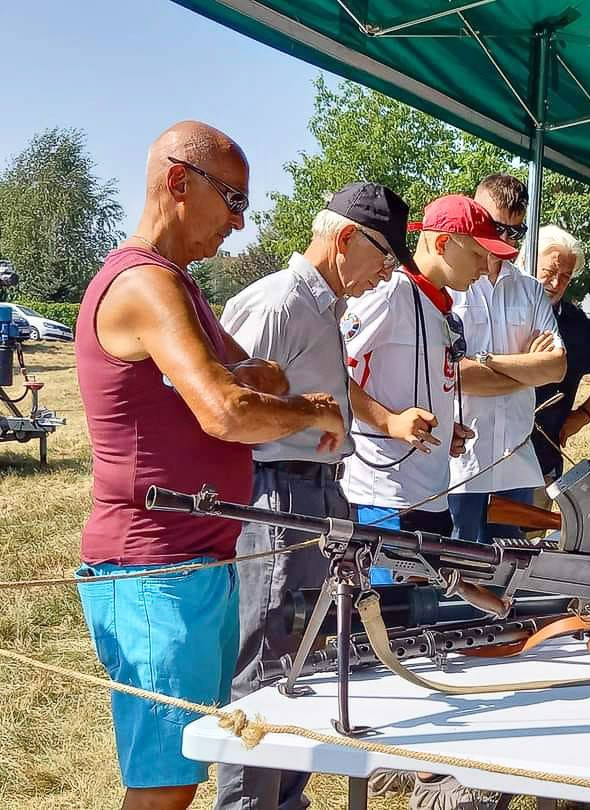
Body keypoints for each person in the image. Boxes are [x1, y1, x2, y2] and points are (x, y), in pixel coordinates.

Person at [73, 121, 345, 810]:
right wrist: (312, 408)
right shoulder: (145, 285)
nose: (239, 222)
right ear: (176, 182)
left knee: (185, 769)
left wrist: (252, 379)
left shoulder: (179, 287)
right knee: (165, 786)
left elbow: (253, 374)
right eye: (231, 199)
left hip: (191, 564)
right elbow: (227, 409)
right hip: (153, 569)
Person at [214, 183, 413, 810]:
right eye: (383, 256)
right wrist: (308, 420)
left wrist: (335, 422)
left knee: (308, 653)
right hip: (274, 494)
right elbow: (228, 411)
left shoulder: (323, 306)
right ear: (345, 237)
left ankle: (286, 797)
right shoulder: (277, 302)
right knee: (266, 652)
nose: (385, 274)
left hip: (319, 492)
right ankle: (249, 804)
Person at [341, 194, 519, 573]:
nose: (486, 266)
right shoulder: (389, 294)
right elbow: (331, 369)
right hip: (386, 498)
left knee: (420, 620)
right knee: (389, 621)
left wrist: (440, 428)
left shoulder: (437, 306)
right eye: (476, 254)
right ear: (442, 244)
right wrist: (389, 421)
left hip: (431, 494)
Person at [448, 174, 567, 542]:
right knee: (459, 574)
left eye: (517, 231)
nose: (506, 240)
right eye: (497, 228)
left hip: (514, 458)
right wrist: (525, 369)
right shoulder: (452, 288)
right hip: (461, 463)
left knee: (509, 578)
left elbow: (556, 369)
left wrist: (484, 360)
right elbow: (455, 373)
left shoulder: (531, 291)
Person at [530, 225, 590, 495]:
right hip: (482, 462)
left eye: (565, 277)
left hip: (540, 464)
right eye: (549, 272)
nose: (555, 284)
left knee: (530, 538)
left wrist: (581, 417)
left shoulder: (574, 324)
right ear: (526, 260)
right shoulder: (497, 303)